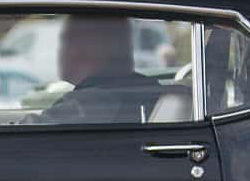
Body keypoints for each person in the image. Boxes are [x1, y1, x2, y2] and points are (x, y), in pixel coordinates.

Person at [38, 15, 171, 124]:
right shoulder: (144, 88)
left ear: (82, 49)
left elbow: (35, 131)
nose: (60, 50)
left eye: (66, 39)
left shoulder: (91, 102)